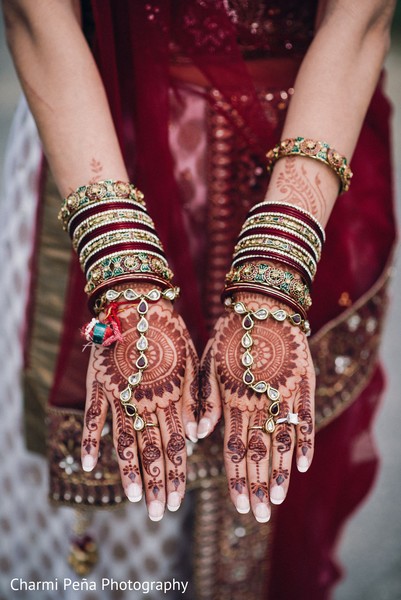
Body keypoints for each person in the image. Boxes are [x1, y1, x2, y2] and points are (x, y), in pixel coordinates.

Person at [0, 1, 396, 598]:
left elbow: (360, 17)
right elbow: (35, 15)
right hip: (92, 148)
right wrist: (120, 267)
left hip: (312, 147)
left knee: (271, 472)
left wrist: (279, 261)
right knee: (101, 533)